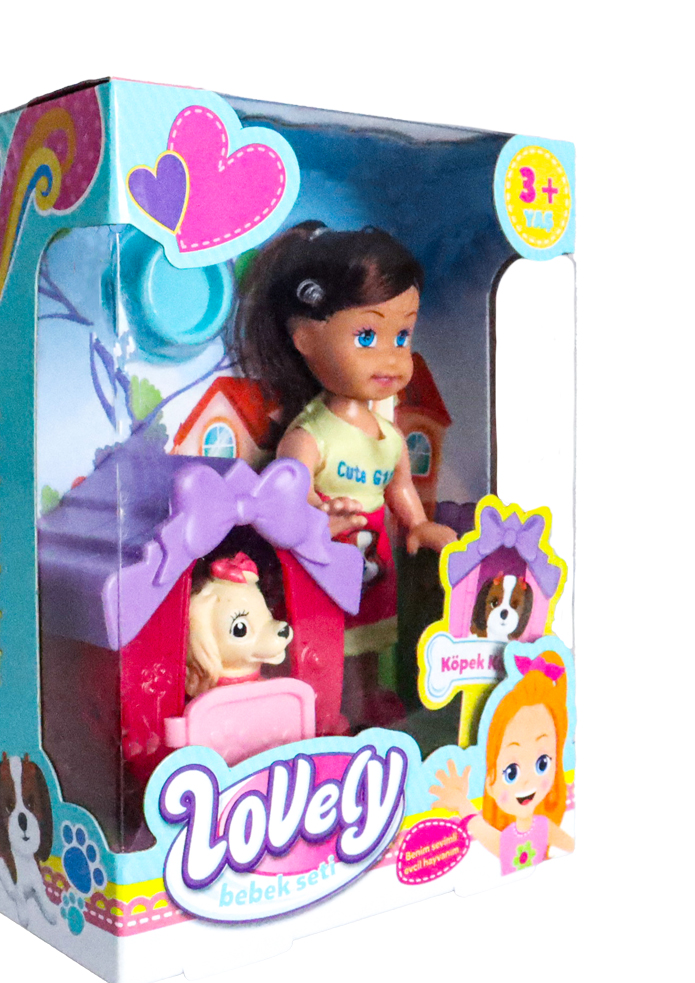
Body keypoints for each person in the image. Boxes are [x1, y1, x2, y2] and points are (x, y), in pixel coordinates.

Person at [233, 221, 456, 726]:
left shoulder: (388, 435)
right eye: (367, 335)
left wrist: (419, 525)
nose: (391, 356)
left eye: (402, 335)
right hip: (320, 560)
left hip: (375, 557)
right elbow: (282, 498)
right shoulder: (310, 434)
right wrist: (317, 514)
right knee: (325, 638)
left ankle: (370, 701)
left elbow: (399, 487)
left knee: (374, 634)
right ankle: (322, 712)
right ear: (305, 337)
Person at [429, 651, 575, 874]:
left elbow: (573, 846)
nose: (527, 781)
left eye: (542, 763)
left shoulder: (545, 827)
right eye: (511, 772)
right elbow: (479, 827)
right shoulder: (506, 839)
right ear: (490, 781)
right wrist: (461, 803)